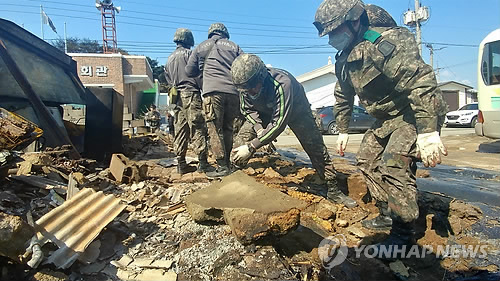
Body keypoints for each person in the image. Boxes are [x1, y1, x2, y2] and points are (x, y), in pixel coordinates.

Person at [313, 0, 448, 255]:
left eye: (335, 30)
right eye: (328, 33)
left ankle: (404, 232)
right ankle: (389, 212)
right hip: (387, 119)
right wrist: (342, 128)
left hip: (415, 111)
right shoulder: (345, 58)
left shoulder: (385, 42)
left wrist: (428, 132)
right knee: (366, 160)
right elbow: (343, 96)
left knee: (393, 163)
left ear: (354, 21)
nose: (332, 38)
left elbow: (420, 82)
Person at [230, 54, 357, 208]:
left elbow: (279, 124)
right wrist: (259, 130)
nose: (249, 91)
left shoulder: (283, 84)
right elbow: (247, 110)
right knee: (240, 142)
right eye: (245, 89)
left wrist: (252, 147)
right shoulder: (245, 88)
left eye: (252, 87)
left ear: (261, 77)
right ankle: (235, 179)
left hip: (297, 111)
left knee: (315, 147)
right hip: (263, 112)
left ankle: (333, 189)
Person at [185, 23, 244, 178]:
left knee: (214, 129)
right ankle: (229, 163)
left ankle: (222, 166)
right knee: (228, 128)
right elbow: (245, 66)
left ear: (211, 33)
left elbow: (189, 71)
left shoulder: (201, 46)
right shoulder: (233, 46)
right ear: (226, 33)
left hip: (212, 92)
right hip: (233, 92)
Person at [165, 28, 211, 174]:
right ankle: (203, 163)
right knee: (197, 127)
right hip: (190, 94)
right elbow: (199, 75)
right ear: (189, 40)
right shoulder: (190, 54)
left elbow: (167, 77)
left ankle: (181, 164)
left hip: (176, 96)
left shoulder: (170, 58)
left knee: (180, 129)